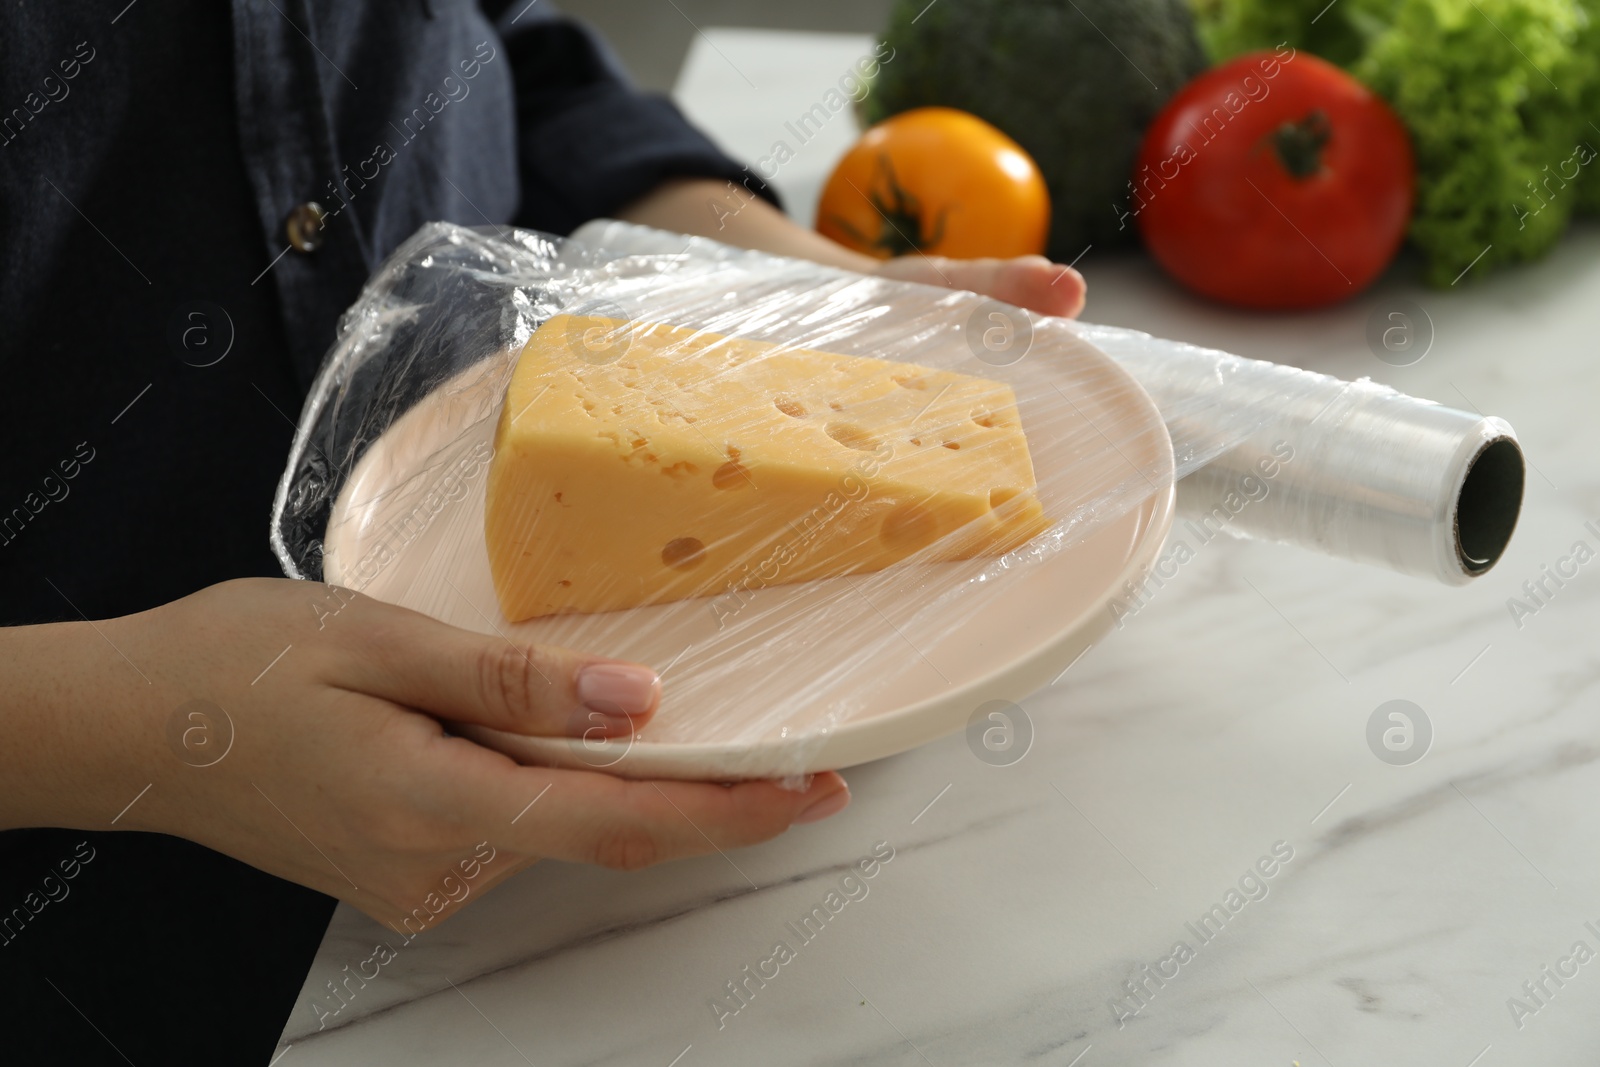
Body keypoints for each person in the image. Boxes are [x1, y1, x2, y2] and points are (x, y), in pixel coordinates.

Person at [0, 2, 1085, 1061]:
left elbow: (496, 52)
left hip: (620, 923)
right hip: (102, 934)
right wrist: (140, 729)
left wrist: (796, 294)